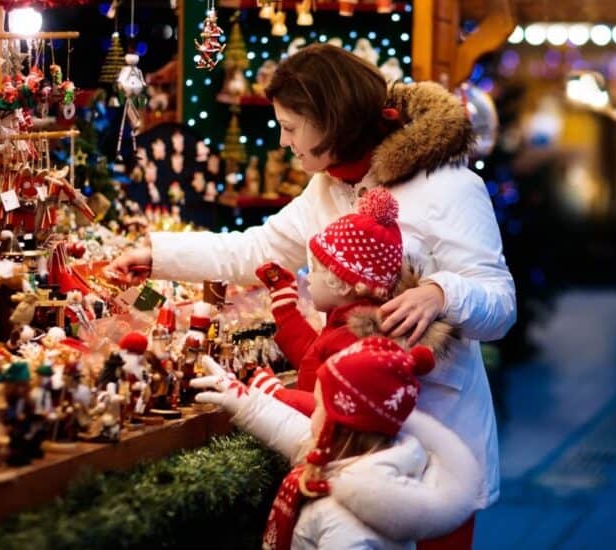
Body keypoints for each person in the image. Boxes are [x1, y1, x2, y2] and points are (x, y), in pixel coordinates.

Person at [108, 44, 516, 546]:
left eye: (292, 126)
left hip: (435, 439)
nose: (283, 142)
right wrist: (158, 254)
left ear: (332, 120)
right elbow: (257, 249)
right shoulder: (326, 188)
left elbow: (499, 304)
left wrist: (440, 292)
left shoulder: (447, 186)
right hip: (350, 443)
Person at [191, 337, 481, 549]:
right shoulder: (364, 462)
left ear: (340, 427)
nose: (312, 413)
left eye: (319, 406)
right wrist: (246, 401)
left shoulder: (346, 520)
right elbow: (296, 433)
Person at [253, 187, 456, 416]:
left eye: (316, 270)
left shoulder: (352, 340)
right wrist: (286, 310)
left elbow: (330, 409)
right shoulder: (346, 324)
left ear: (343, 282)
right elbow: (314, 358)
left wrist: (275, 395)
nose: (308, 277)